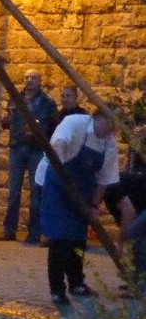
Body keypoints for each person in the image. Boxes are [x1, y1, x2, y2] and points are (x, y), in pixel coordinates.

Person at [35, 108, 120, 305]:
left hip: (82, 193)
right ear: (98, 118)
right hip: (58, 185)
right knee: (58, 239)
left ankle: (77, 283)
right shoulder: (75, 123)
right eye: (108, 124)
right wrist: (64, 175)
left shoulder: (110, 144)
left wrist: (93, 205)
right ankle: (57, 289)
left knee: (77, 240)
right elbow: (58, 144)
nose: (109, 130)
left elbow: (104, 179)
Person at [0, 69, 58, 243]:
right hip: (17, 147)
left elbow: (53, 125)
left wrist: (42, 129)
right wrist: (6, 121)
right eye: (27, 77)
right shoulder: (16, 98)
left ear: (40, 81)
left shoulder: (48, 103)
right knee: (14, 191)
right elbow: (7, 121)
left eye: (33, 77)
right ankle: (9, 230)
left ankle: (34, 232)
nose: (30, 80)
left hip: (37, 149)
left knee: (36, 191)